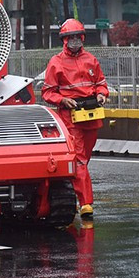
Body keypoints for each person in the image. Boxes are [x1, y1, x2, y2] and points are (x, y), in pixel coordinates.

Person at [42, 18, 109, 219]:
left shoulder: (91, 60)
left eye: (76, 37)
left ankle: (72, 188)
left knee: (84, 161)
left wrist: (101, 94)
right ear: (64, 39)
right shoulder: (56, 63)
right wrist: (63, 100)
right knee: (79, 160)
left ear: (82, 37)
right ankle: (86, 203)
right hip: (70, 118)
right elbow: (48, 93)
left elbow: (101, 84)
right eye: (69, 37)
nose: (74, 41)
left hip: (91, 117)